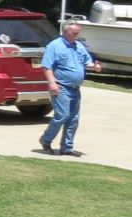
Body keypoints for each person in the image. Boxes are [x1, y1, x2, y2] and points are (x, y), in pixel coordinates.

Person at [35, 20, 100, 157]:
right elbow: (47, 66)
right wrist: (52, 83)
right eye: (74, 32)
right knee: (62, 115)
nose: (77, 34)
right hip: (61, 87)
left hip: (75, 88)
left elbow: (86, 62)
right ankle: (46, 140)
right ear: (65, 31)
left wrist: (94, 67)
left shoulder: (78, 46)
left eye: (78, 32)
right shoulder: (54, 46)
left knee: (73, 119)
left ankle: (67, 147)